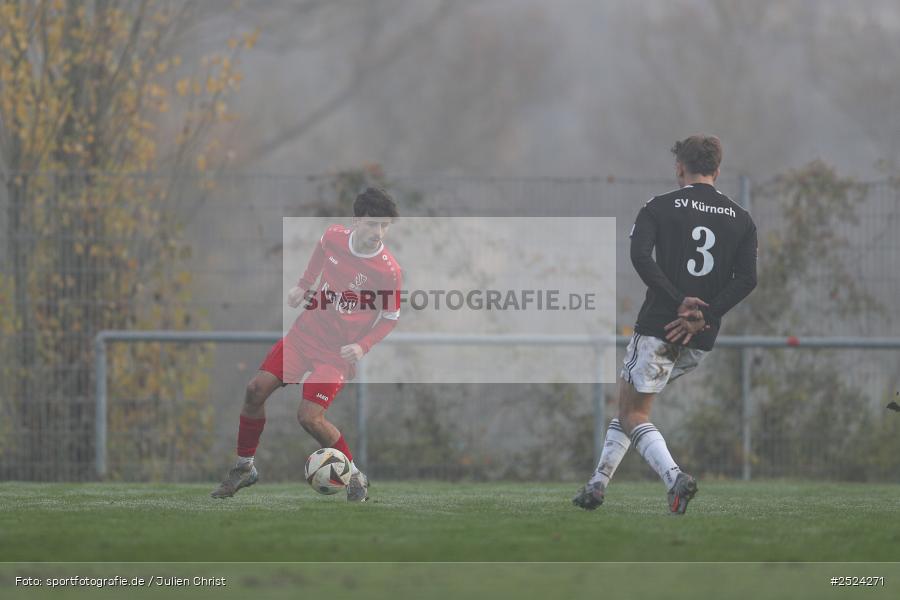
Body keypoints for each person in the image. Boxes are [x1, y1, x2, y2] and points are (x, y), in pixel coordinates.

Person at [573, 135, 757, 514]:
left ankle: (675, 478)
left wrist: (678, 301)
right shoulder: (741, 218)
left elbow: (639, 256)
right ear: (717, 171)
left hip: (661, 326)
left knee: (633, 412)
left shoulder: (659, 207)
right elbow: (747, 278)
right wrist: (707, 314)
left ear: (679, 168)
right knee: (629, 405)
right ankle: (596, 486)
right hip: (701, 337)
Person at [211, 187, 402, 502]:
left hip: (337, 353)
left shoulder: (388, 271)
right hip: (304, 336)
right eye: (372, 224)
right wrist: (303, 286)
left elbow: (390, 317)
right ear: (356, 221)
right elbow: (320, 251)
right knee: (255, 390)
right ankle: (245, 467)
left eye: (384, 225)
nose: (378, 232)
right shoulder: (334, 237)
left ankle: (355, 476)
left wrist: (363, 346)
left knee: (309, 417)